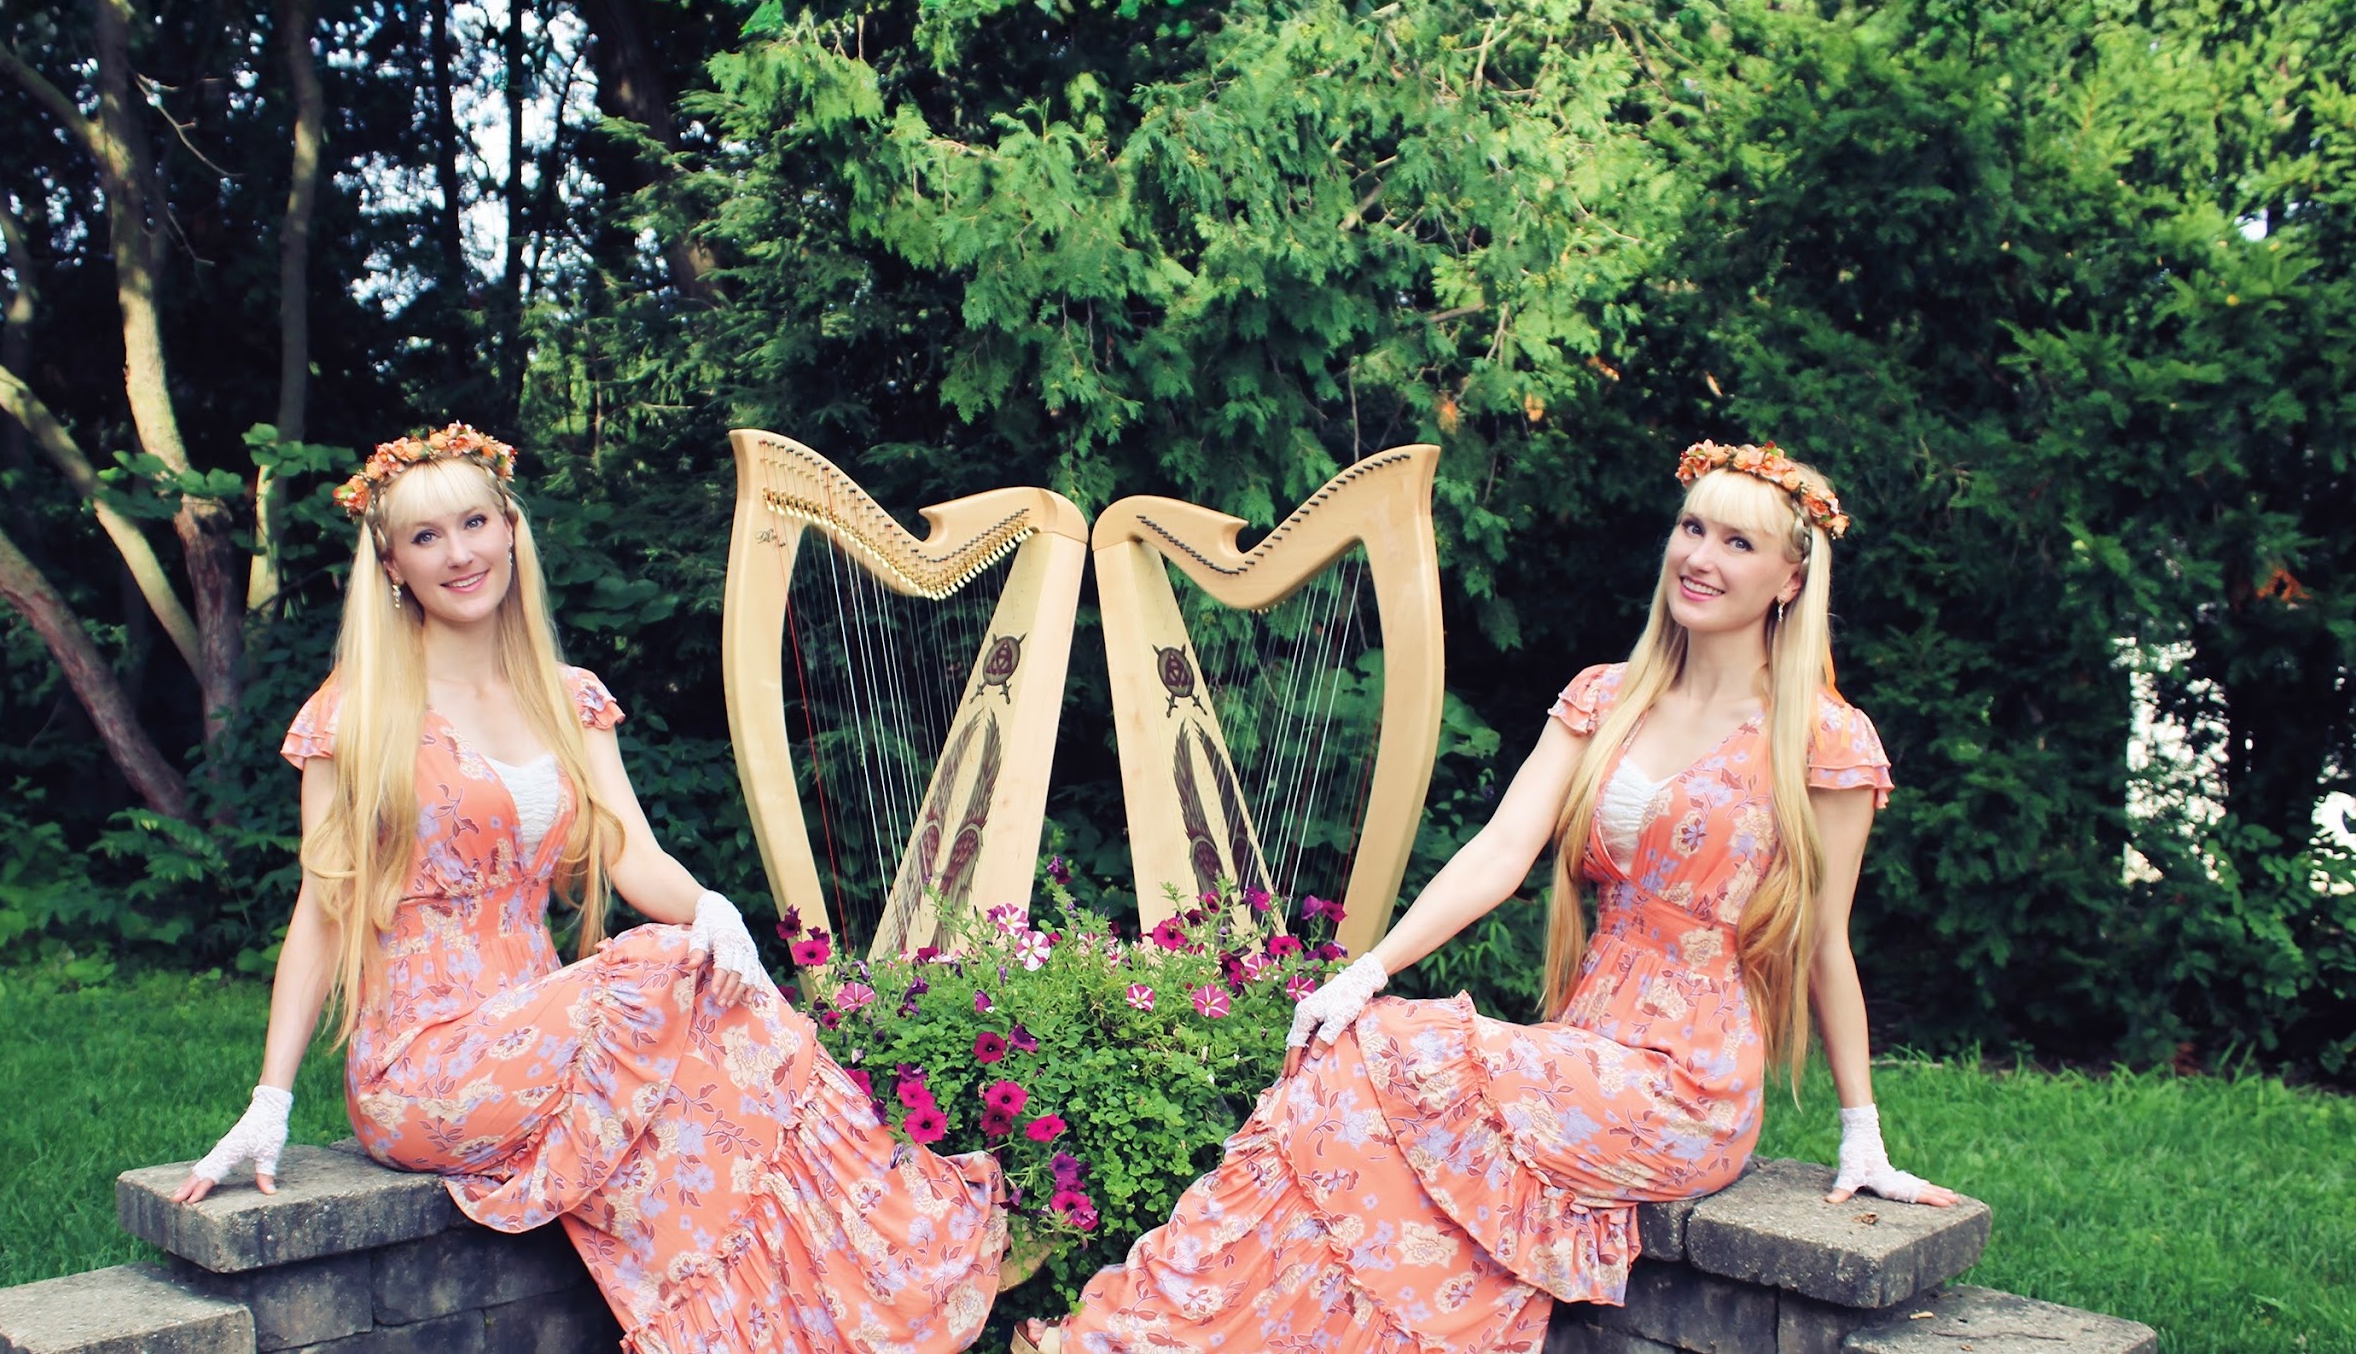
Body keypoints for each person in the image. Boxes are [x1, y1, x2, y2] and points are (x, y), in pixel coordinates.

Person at [1018, 440, 1957, 1354]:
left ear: (1790, 579)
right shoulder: (1609, 697)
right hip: (1586, 1042)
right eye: (1692, 528)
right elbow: (1502, 849)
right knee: (1350, 1060)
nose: (1700, 558)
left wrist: (1862, 1134)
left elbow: (1825, 943)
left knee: (1389, 1050)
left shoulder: (1823, 738)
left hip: (1688, 1085)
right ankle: (1191, 1332)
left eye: (1738, 543)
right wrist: (1367, 970)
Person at [172, 424, 1006, 1354]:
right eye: (426, 537)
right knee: (655, 969)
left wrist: (712, 910)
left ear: (511, 528)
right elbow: (321, 910)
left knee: (706, 1093)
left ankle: (835, 1298)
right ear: (394, 564)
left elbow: (631, 855)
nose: (460, 553)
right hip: (425, 1065)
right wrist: (271, 1097)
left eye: (475, 523)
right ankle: (895, 1236)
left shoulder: (569, 696)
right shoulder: (356, 711)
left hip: (548, 1032)